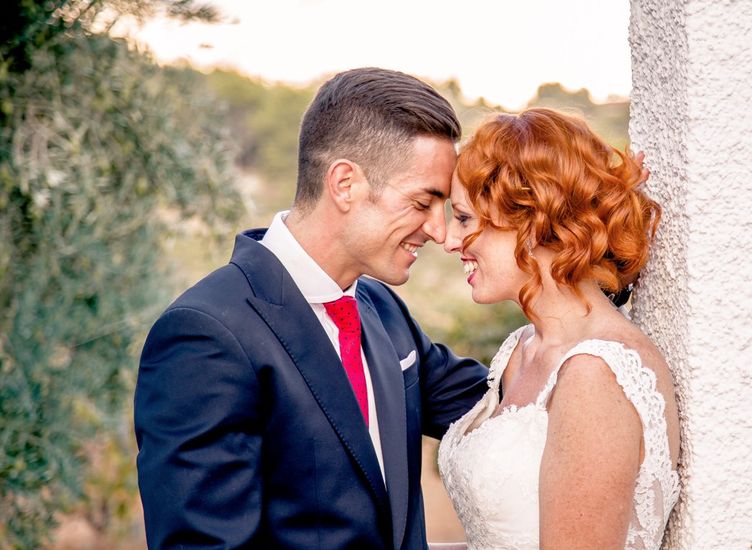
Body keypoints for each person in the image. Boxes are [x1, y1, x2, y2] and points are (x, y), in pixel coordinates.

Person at [134, 67, 489, 549]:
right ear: (345, 184)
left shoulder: (383, 310)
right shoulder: (206, 334)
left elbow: (511, 401)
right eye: (423, 202)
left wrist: (582, 243)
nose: (439, 230)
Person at [437, 108, 681, 549]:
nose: (450, 240)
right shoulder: (521, 348)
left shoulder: (596, 372)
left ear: (531, 220)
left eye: (464, 218)